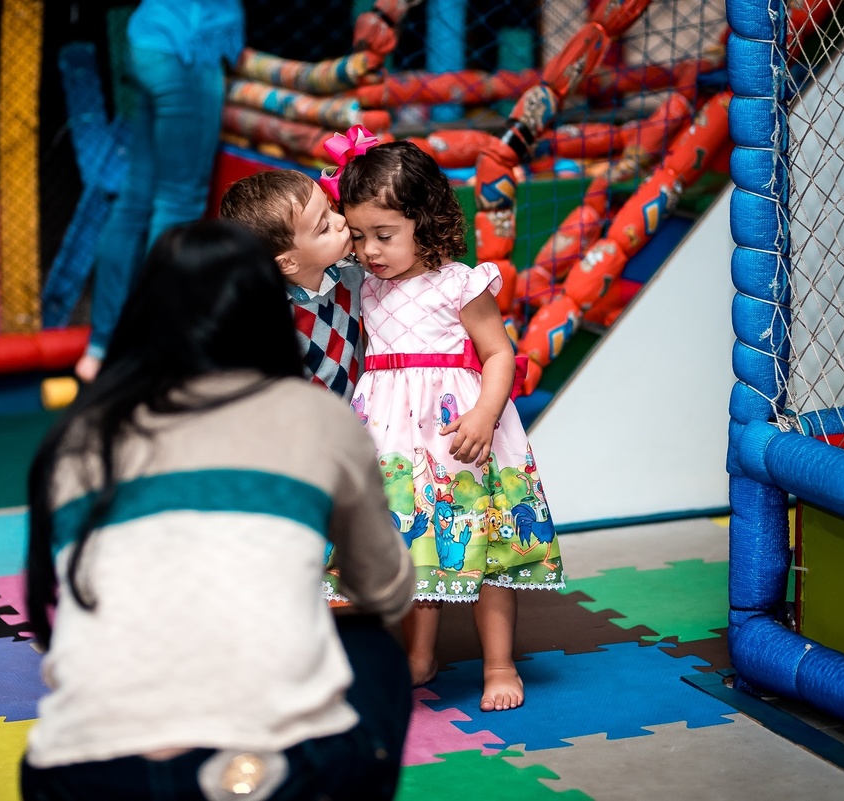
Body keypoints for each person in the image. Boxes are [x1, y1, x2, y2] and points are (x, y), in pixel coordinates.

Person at [23, 220, 415, 800]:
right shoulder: (313, 416)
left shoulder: (78, 436)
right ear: (268, 314)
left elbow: (53, 620)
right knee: (373, 650)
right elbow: (387, 591)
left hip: (75, 769)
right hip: (256, 771)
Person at [331, 134, 564, 709]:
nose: (371, 250)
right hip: (393, 438)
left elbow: (499, 354)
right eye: (359, 236)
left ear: (426, 220)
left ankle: (500, 665)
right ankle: (418, 656)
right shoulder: (366, 284)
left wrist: (485, 415)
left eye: (384, 235)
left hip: (458, 435)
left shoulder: (460, 282)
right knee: (415, 548)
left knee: (482, 550)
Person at [74, 0, 245, 384]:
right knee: (179, 200)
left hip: (150, 37)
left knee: (136, 201)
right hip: (187, 48)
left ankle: (101, 349)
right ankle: (158, 349)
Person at [219, 169, 365, 400]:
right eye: (323, 227)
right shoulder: (271, 321)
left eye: (330, 208)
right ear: (287, 263)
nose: (340, 220)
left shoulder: (353, 273)